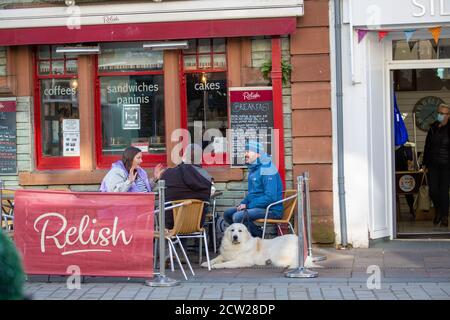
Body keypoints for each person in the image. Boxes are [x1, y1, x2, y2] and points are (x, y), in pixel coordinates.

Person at [223, 141, 283, 238]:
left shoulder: (268, 169)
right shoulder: (253, 170)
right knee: (228, 214)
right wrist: (242, 203)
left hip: (271, 209)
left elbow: (271, 197)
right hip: (259, 207)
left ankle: (258, 237)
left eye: (248, 151)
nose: (245, 154)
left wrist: (248, 205)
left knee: (237, 216)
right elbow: (252, 194)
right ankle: (254, 235)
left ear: (258, 154)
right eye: (245, 151)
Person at [157, 144, 213, 229]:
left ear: (184, 157)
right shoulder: (206, 178)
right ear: (201, 159)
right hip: (196, 223)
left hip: (171, 223)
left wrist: (158, 178)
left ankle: (173, 241)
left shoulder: (168, 174)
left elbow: (162, 192)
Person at [422, 103, 450, 227]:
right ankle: (438, 210)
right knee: (433, 191)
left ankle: (444, 216)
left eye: (442, 113)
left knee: (444, 191)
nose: (439, 115)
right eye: (439, 112)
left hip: (446, 165)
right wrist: (424, 163)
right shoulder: (433, 127)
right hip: (433, 164)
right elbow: (427, 146)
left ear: (448, 115)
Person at [395, 143, 415, 219]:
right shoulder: (404, 140)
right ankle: (412, 208)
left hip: (401, 167)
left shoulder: (389, 139)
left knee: (406, 190)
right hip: (404, 168)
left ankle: (411, 208)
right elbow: (410, 157)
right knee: (407, 190)